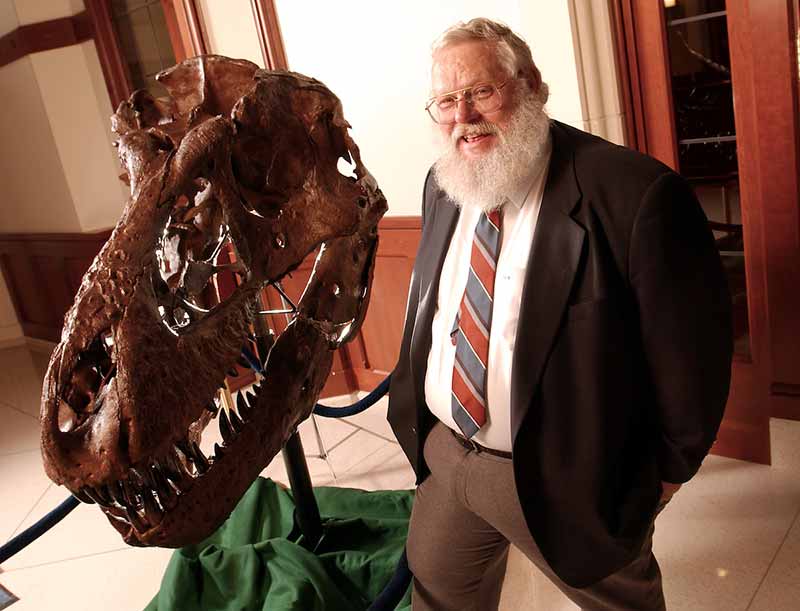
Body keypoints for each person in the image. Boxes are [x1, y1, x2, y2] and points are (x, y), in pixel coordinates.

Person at [387, 17, 732, 611]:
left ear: (531, 85)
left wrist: (668, 473)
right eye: (446, 101)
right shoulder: (442, 184)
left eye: (481, 91)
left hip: (567, 478)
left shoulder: (635, 194)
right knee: (437, 593)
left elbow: (690, 360)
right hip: (447, 453)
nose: (463, 116)